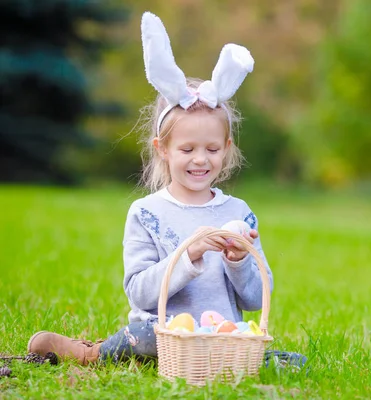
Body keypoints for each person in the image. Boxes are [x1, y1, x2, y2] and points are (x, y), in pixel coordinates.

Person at [27, 11, 306, 372]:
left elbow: (255, 299)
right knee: (143, 336)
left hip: (219, 336)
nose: (200, 160)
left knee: (290, 362)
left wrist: (238, 262)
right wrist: (189, 255)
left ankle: (223, 361)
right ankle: (93, 354)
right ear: (163, 149)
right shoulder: (147, 213)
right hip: (160, 334)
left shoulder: (238, 212)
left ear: (227, 147)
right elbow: (140, 292)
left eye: (212, 149)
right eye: (187, 150)